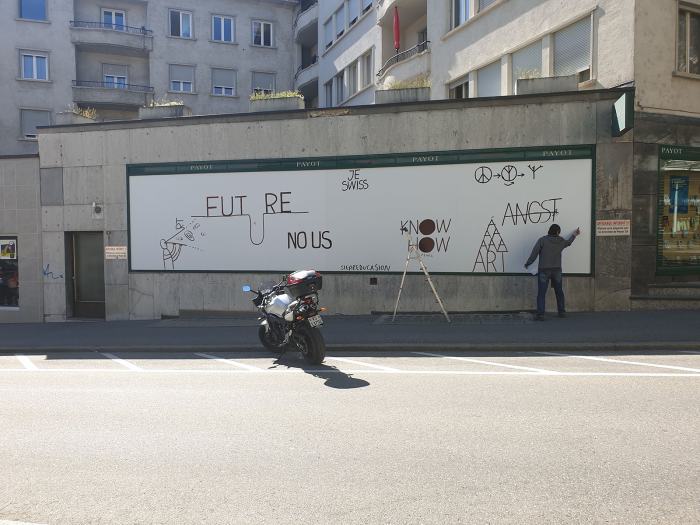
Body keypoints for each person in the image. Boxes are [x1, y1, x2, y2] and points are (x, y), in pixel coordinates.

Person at [524, 224, 580, 321]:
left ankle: (540, 315)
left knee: (541, 293)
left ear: (549, 230)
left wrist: (528, 263)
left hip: (544, 270)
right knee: (559, 291)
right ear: (558, 232)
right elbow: (568, 243)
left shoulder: (542, 240)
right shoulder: (561, 241)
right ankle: (561, 312)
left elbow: (534, 253)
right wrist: (574, 235)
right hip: (556, 270)